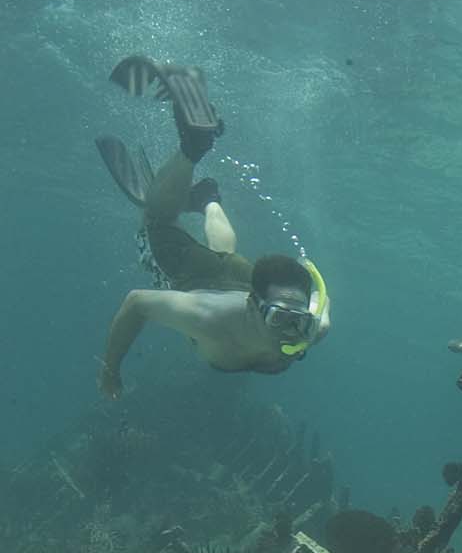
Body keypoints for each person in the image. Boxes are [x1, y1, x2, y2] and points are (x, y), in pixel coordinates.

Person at [96, 56, 330, 400]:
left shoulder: (311, 329)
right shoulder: (205, 318)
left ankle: (208, 197)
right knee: (155, 222)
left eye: (298, 321)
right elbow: (136, 303)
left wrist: (302, 315)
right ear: (254, 306)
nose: (291, 332)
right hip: (195, 279)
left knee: (226, 255)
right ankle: (192, 149)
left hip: (238, 277)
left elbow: (320, 308)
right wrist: (110, 369)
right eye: (281, 320)